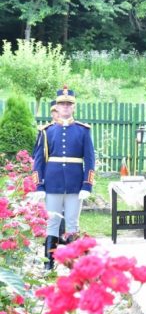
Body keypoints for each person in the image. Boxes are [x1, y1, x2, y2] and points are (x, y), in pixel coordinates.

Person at [32, 86, 96, 269]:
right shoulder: (47, 130)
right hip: (52, 184)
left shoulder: (83, 130)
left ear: (73, 107)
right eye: (62, 104)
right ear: (57, 107)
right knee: (52, 224)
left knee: (72, 224)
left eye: (69, 104)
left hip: (76, 186)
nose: (65, 107)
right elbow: (39, 161)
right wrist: (39, 186)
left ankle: (74, 267)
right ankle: (48, 266)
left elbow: (90, 161)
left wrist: (87, 185)